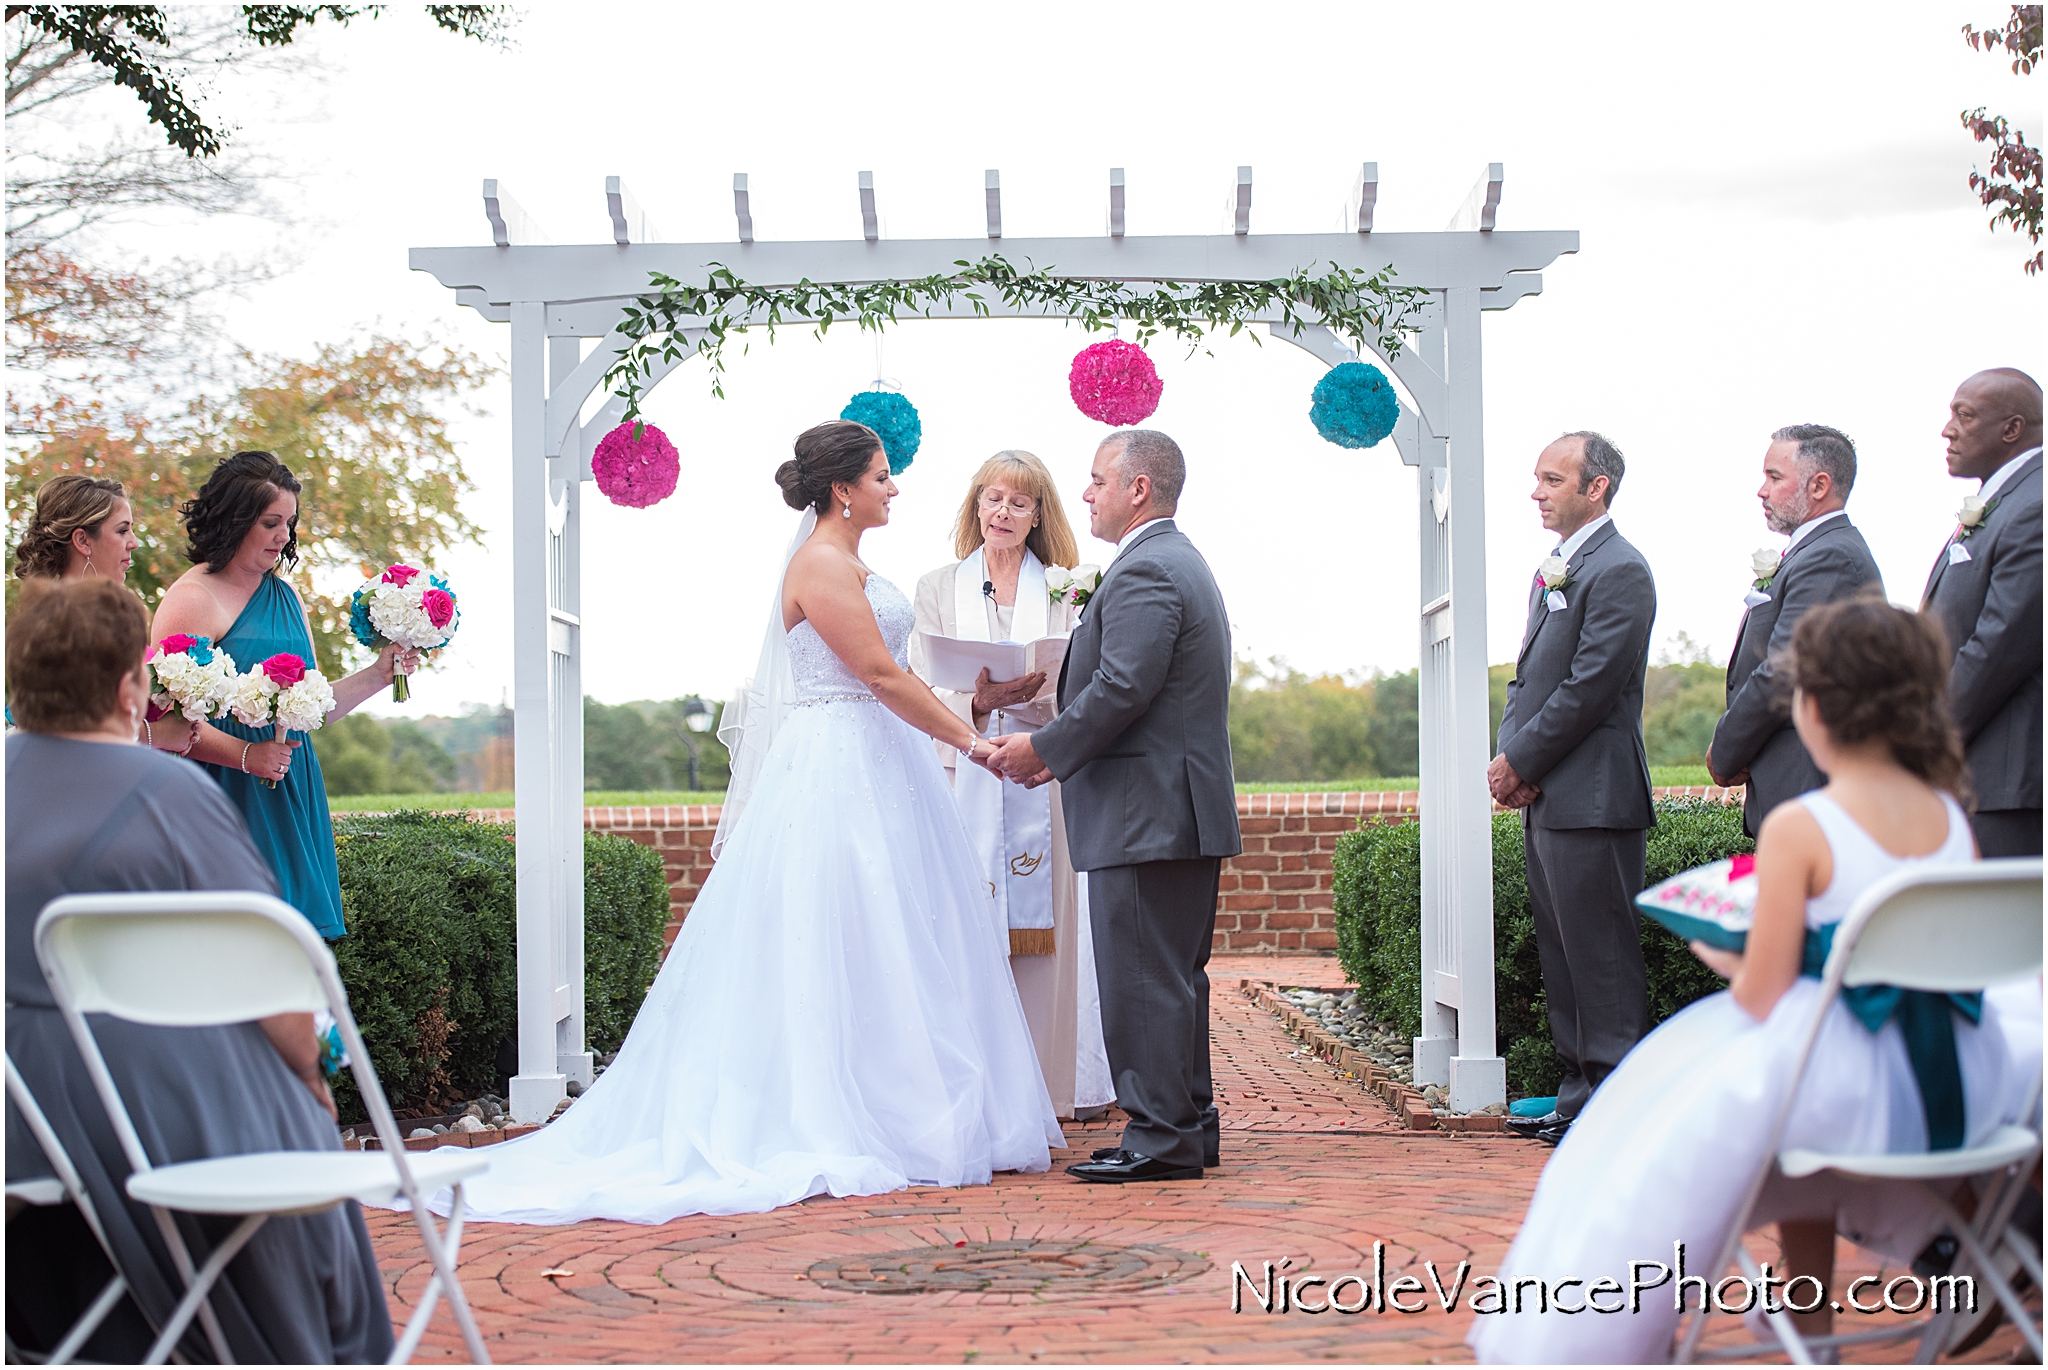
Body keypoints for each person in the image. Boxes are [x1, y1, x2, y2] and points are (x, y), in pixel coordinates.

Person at [424, 420, 1061, 1225]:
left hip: (881, 762)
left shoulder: (852, 562)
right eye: (881, 477)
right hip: (836, 766)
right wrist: (973, 743)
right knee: (832, 924)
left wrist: (972, 706)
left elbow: (899, 674)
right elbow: (875, 675)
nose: (893, 488)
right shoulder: (820, 565)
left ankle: (898, 1096)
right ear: (842, 490)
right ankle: (835, 1109)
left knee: (893, 930)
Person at [1471, 596, 2042, 1364]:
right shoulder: (1949, 816)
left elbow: (1763, 994)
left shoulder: (1802, 827)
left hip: (1837, 1084)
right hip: (1956, 1072)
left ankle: (1764, 1327)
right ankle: (1909, 1274)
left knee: (1650, 1128)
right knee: (1786, 1100)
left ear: (1812, 709)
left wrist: (1720, 945)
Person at [4, 578, 392, 1363]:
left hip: (21, 1123)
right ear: (128, 688)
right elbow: (276, 981)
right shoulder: (166, 791)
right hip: (159, 1125)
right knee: (290, 1109)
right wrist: (313, 1084)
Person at [983, 429, 1241, 1184]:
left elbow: (1125, 686)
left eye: (1097, 480)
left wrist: (1045, 750)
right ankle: (1186, 1125)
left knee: (1141, 977)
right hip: (1169, 807)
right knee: (1171, 976)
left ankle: (1161, 1137)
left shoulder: (1148, 571)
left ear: (1138, 489)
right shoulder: (1173, 561)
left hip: (1145, 811)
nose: (1086, 493)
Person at [910, 450, 1114, 1121]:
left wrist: (1034, 693)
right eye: (991, 499)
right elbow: (919, 682)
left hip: (1038, 772)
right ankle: (972, 1083)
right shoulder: (939, 585)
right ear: (975, 507)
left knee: (1045, 932)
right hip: (961, 771)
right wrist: (977, 702)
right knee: (959, 923)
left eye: (1018, 503)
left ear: (1037, 516)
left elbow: (1083, 683)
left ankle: (1048, 1083)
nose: (1002, 512)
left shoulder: (1065, 587)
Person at [147, 452, 412, 939]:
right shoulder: (191, 599)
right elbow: (167, 724)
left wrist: (379, 674)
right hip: (219, 789)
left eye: (289, 523)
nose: (284, 536)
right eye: (271, 523)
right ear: (234, 519)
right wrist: (248, 755)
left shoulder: (287, 597)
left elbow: (310, 707)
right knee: (233, 943)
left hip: (288, 782)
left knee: (293, 949)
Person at [1489, 431, 1658, 1145]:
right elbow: (1531, 680)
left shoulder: (1620, 569)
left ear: (1597, 488)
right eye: (1537, 479)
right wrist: (1513, 755)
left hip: (1595, 793)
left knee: (1602, 958)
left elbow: (1591, 685)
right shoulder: (1560, 566)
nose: (1537, 491)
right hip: (1555, 790)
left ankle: (1615, 1108)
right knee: (1564, 954)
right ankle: (1577, 1094)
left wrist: (1521, 760)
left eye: (1553, 479)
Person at [1709, 424, 1883, 835]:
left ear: (1819, 485)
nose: (1761, 491)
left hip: (1807, 780)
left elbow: (1786, 669)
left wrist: (1727, 748)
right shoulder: (1814, 551)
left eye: (1774, 477)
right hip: (1789, 780)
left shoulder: (1832, 557)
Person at [1922, 368, 2042, 857]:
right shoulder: (2009, 500)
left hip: (2007, 787)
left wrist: (1923, 743)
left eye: (1964, 415)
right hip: (1978, 778)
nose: (1947, 429)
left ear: (2011, 429)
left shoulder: (2035, 505)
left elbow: (1999, 644)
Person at [11, 474, 199, 756]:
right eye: (123, 531)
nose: (134, 542)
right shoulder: (60, 623)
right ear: (83, 541)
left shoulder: (107, 613)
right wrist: (155, 734)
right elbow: (67, 731)